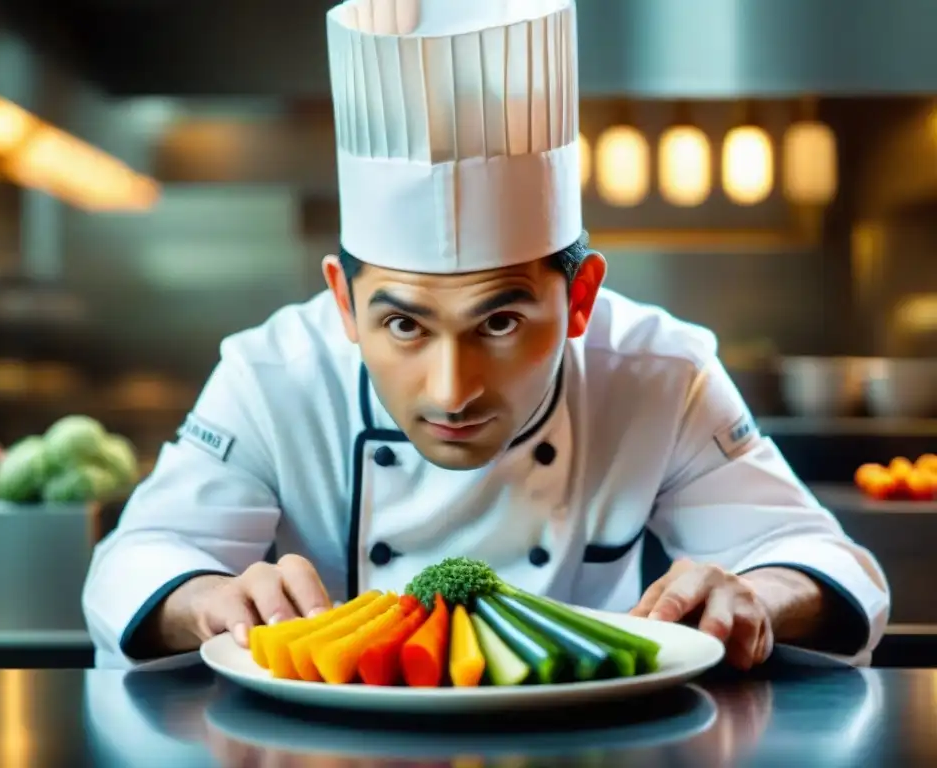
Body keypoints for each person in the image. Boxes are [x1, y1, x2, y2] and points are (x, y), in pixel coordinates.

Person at [81, 0, 890, 671]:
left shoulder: (659, 372)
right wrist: (204, 601)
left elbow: (817, 556)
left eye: (499, 321)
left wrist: (756, 596)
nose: (451, 389)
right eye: (403, 323)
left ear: (579, 298)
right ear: (342, 301)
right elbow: (137, 556)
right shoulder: (272, 378)